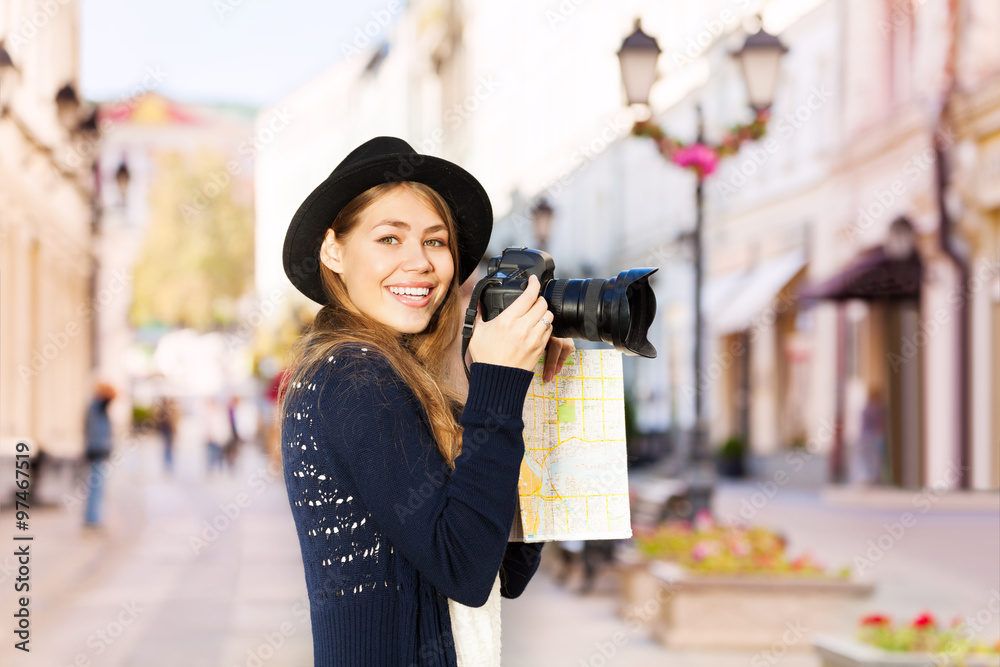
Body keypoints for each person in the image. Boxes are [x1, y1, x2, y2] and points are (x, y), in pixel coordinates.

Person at [280, 136, 574, 666]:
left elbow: (503, 566)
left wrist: (529, 391)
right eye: (390, 238)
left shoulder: (393, 373)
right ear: (334, 250)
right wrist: (496, 382)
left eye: (436, 242)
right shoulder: (353, 374)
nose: (419, 262)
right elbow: (465, 569)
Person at [83, 382, 117, 528]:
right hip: (97, 451)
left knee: (98, 488)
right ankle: (93, 519)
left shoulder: (97, 408)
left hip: (98, 451)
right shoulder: (97, 407)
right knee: (96, 488)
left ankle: (94, 518)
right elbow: (96, 433)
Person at [153, 396, 178, 474]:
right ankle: (168, 465)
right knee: (167, 448)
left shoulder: (172, 410)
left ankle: (169, 465)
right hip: (166, 431)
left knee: (169, 448)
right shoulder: (163, 410)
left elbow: (174, 421)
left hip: (169, 431)